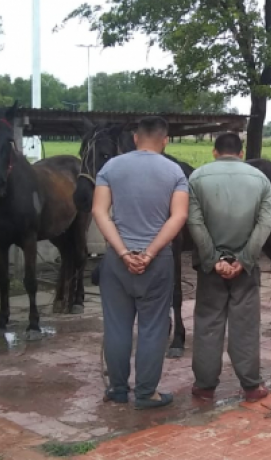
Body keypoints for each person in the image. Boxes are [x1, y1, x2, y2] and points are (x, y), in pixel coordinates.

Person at [91, 116, 189, 409]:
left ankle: (118, 389)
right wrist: (149, 253)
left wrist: (122, 252)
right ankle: (147, 393)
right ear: (165, 140)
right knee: (153, 327)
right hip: (157, 263)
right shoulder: (175, 172)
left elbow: (99, 212)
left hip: (117, 263)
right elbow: (179, 216)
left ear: (135, 138)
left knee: (117, 326)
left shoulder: (111, 168)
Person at [186, 133, 271, 403]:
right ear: (241, 151)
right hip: (244, 271)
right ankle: (251, 386)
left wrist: (214, 260)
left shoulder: (197, 178)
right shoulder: (261, 180)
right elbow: (265, 224)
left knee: (207, 324)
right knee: (245, 325)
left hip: (210, 269)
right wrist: (244, 260)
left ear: (214, 152)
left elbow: (195, 223)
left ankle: (205, 387)